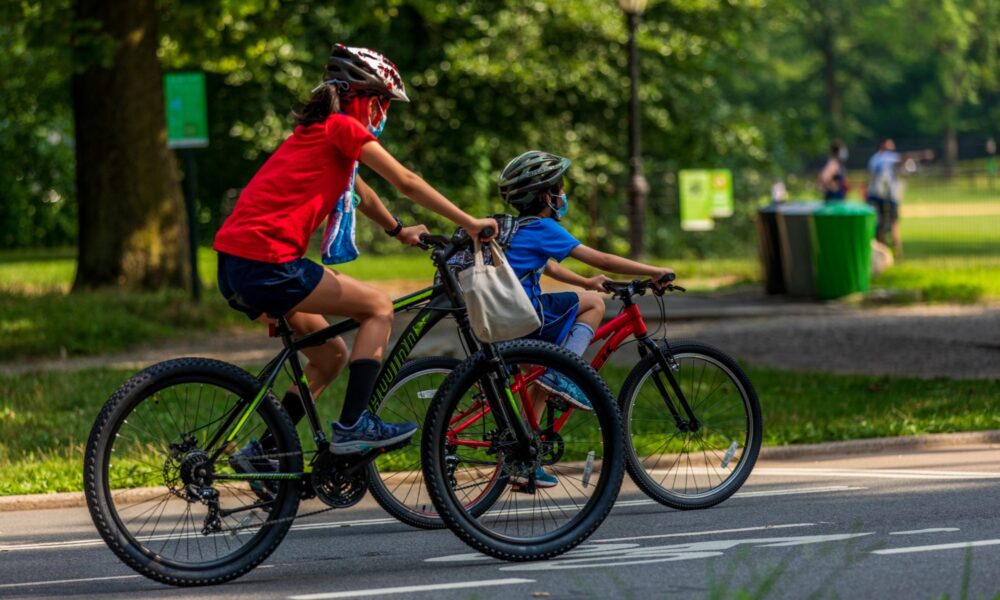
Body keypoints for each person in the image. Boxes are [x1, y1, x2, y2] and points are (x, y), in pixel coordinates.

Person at [213, 44, 496, 461]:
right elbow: (405, 180)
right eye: (383, 104)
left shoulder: (317, 132)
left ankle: (266, 451)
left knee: (330, 356)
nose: (384, 114)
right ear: (367, 99)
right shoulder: (343, 127)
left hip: (235, 263)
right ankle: (354, 426)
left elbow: (360, 192)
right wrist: (470, 222)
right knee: (379, 308)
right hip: (268, 262)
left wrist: (398, 231)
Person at [498, 150, 675, 487]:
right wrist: (655, 272)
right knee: (593, 305)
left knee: (539, 382)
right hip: (527, 316)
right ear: (546, 196)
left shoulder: (516, 228)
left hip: (503, 320)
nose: (564, 196)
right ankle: (564, 373)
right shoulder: (543, 226)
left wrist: (582, 281)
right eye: (560, 190)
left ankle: (522, 459)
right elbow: (602, 258)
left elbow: (545, 264)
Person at [866, 139, 933, 258]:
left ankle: (884, 252)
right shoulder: (885, 157)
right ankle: (897, 252)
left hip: (878, 195)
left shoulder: (874, 159)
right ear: (883, 147)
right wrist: (923, 154)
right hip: (886, 196)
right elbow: (904, 157)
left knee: (881, 225)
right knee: (892, 224)